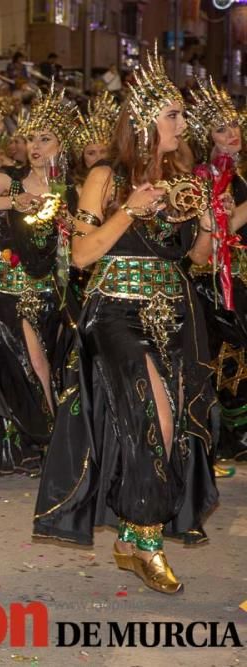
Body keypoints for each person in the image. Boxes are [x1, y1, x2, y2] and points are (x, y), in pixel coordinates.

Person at [34, 50, 219, 595]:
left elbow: (199, 260)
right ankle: (147, 536)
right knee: (153, 410)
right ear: (143, 121)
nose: (181, 125)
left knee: (170, 422)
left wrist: (208, 223)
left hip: (174, 312)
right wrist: (130, 210)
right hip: (116, 312)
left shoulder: (187, 180)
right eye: (172, 114)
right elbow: (82, 256)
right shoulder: (106, 176)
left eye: (181, 115)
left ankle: (135, 537)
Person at [0, 85, 79, 474]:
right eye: (31, 138)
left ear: (62, 144)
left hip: (52, 290)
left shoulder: (71, 191)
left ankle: (13, 446)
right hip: (7, 289)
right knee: (35, 363)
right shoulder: (7, 178)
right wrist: (11, 202)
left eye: (45, 139)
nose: (36, 146)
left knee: (36, 368)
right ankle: (53, 444)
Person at [185, 75, 247, 469]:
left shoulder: (238, 176)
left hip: (238, 281)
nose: (232, 133)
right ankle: (207, 446)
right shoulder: (202, 178)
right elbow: (214, 233)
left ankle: (230, 438)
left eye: (235, 124)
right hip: (212, 283)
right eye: (221, 128)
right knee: (215, 363)